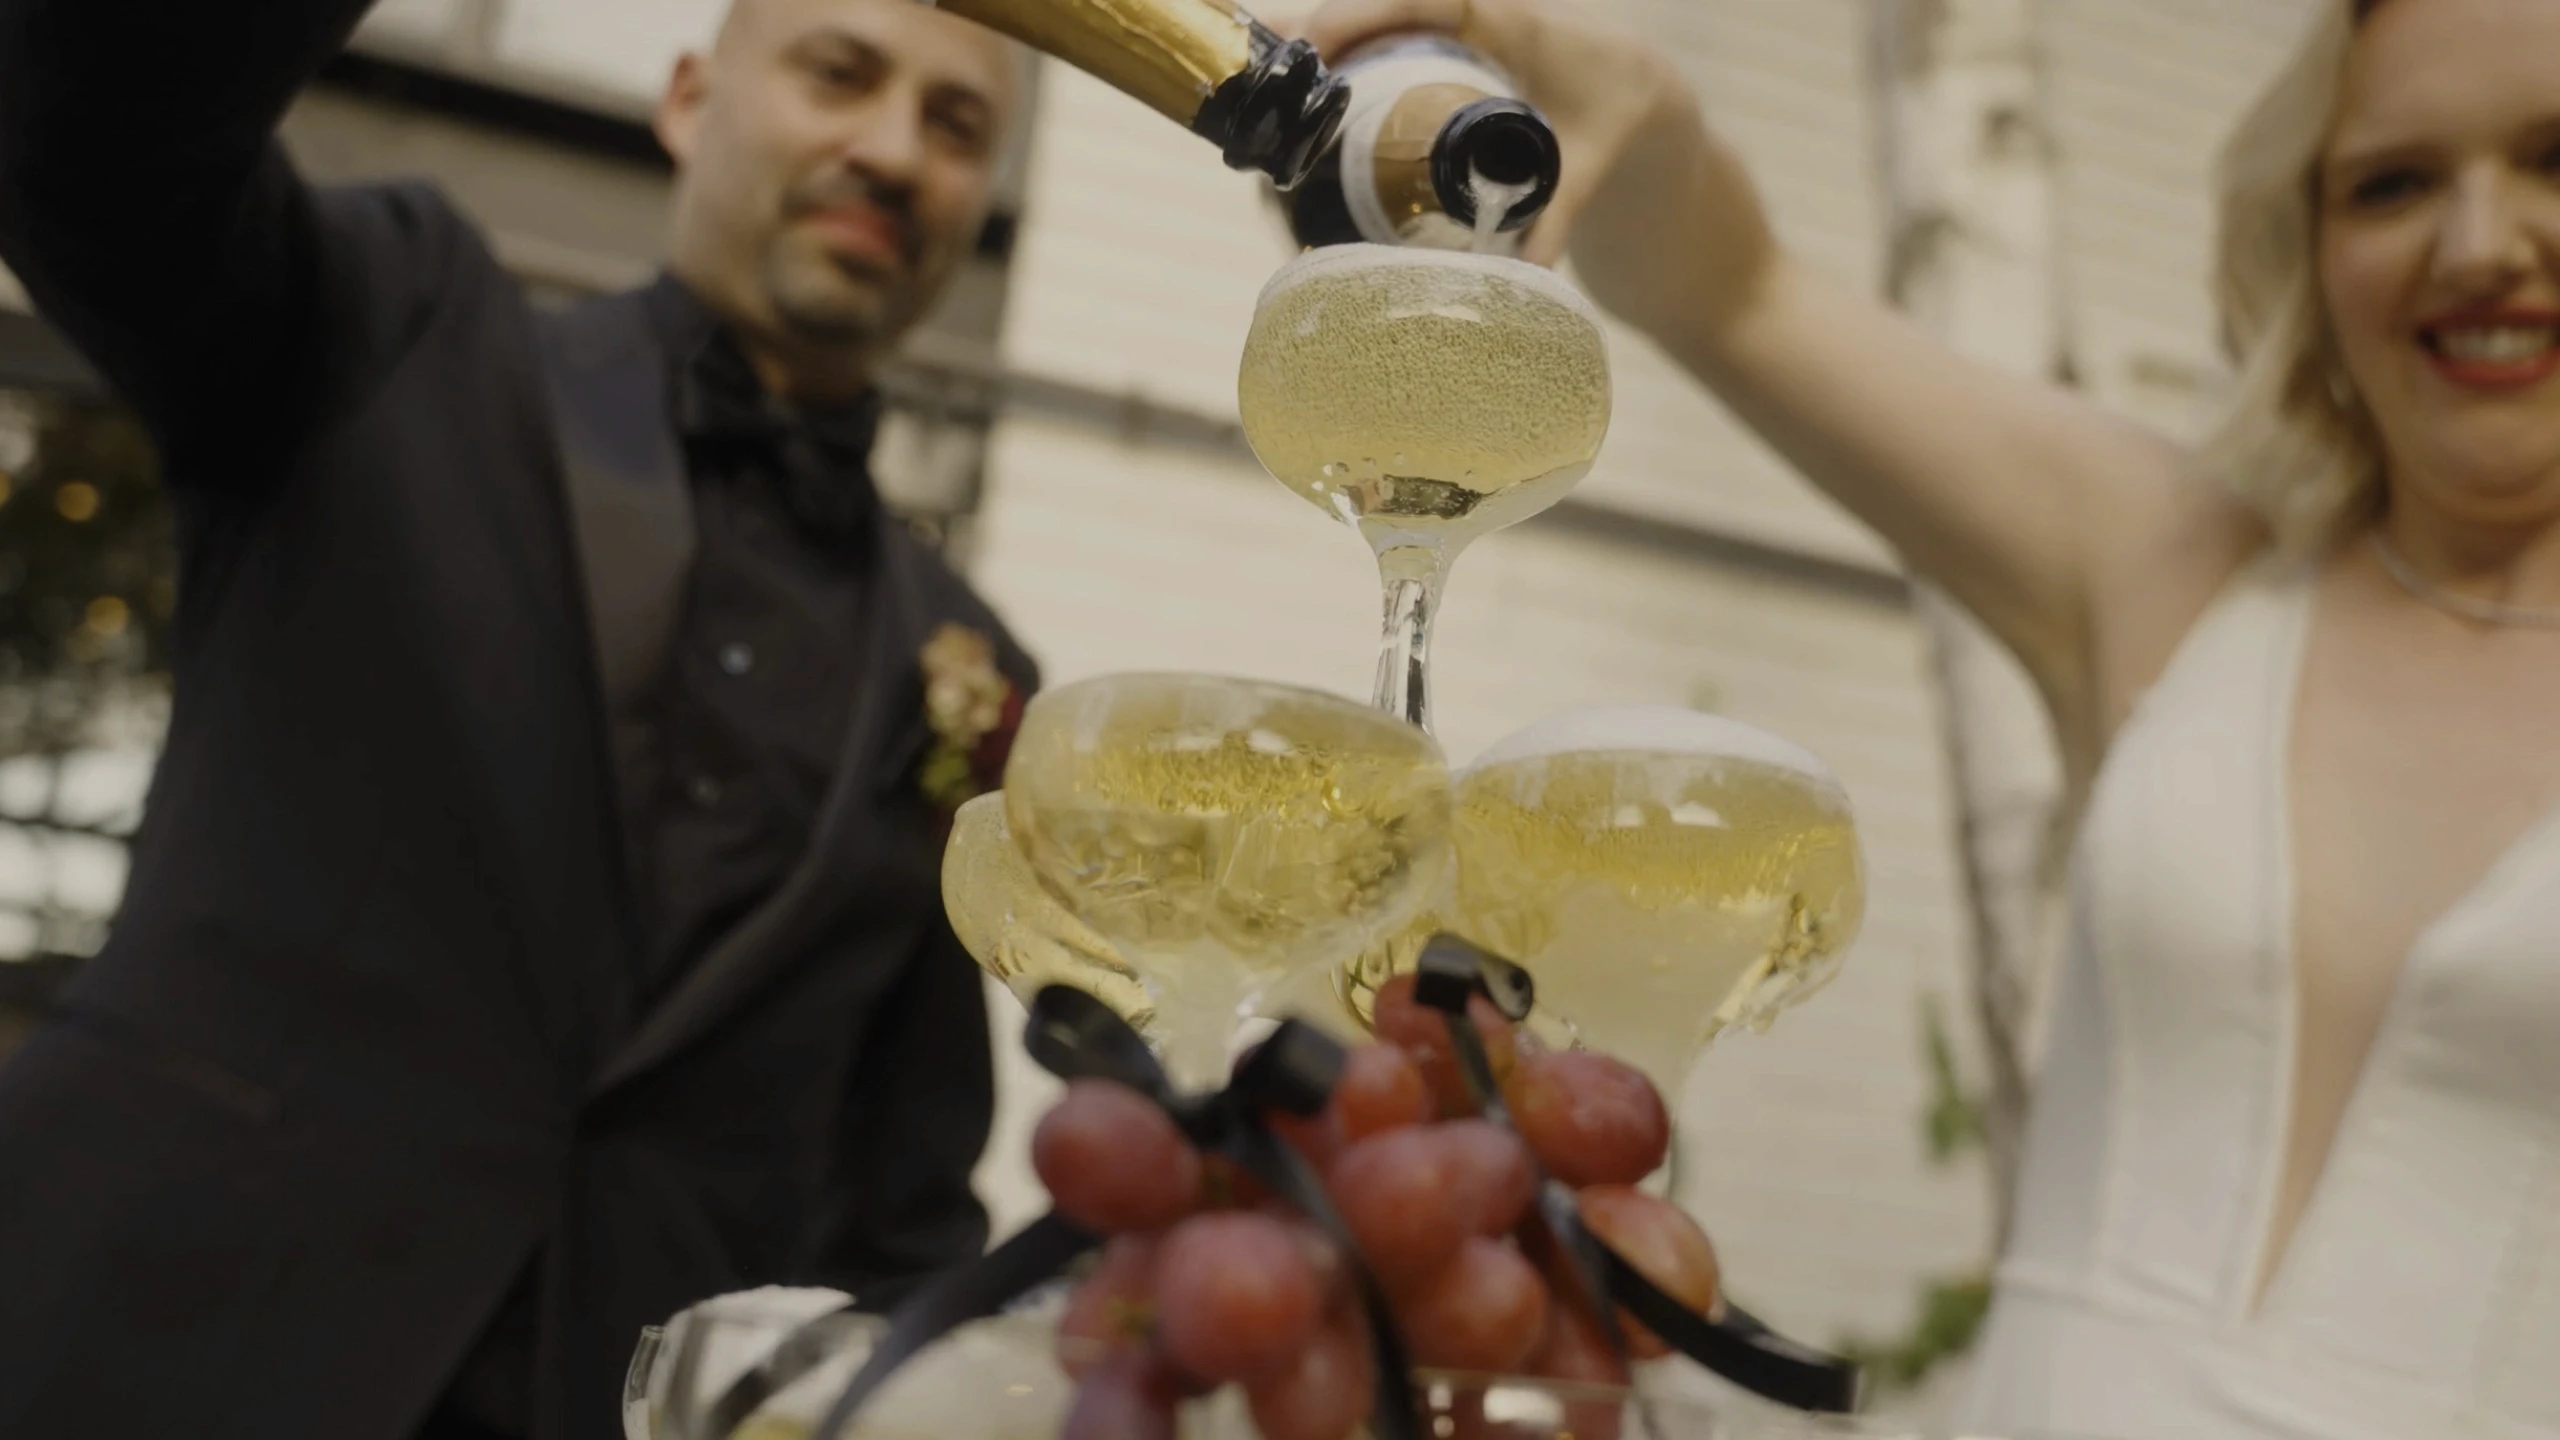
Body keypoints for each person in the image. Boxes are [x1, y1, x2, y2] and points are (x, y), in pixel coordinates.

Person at [1298, 0, 2560, 1435]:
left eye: (2554, 159)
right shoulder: (2179, 573)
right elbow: (1736, 294)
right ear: (2310, 232)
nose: (2479, 245)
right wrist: (1633, 111)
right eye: (2391, 182)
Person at [0, 1, 1041, 1436]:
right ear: (686, 100)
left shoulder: (976, 663)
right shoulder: (397, 323)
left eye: (957, 123)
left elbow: (901, 1196)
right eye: (840, 73)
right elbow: (96, 149)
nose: (893, 149)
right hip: (146, 1347)